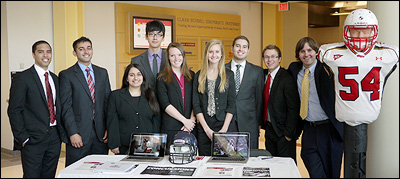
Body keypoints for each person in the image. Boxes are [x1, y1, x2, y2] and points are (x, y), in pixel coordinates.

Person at [318, 9, 398, 178]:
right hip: (346, 114)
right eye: (355, 30)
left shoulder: (331, 53)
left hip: (365, 113)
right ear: (347, 31)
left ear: (374, 31)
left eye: (366, 30)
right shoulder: (387, 53)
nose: (361, 35)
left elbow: (323, 49)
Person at [7, 40, 68, 177]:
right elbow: (14, 110)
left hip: (54, 137)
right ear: (33, 54)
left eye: (48, 51)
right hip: (32, 139)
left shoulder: (55, 78)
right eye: (41, 51)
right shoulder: (22, 78)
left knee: (49, 175)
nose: (45, 55)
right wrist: (23, 138)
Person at [288, 37, 344, 178]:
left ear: (316, 52)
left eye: (310, 50)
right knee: (312, 165)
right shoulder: (294, 70)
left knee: (332, 171)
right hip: (308, 129)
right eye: (302, 51)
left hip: (329, 129)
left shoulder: (327, 69)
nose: (306, 54)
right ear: (298, 54)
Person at [59, 36, 111, 167]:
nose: (86, 51)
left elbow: (107, 103)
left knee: (100, 170)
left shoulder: (102, 73)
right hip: (79, 134)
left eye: (88, 48)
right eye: (81, 49)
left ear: (92, 50)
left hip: (101, 135)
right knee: (77, 171)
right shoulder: (67, 75)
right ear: (74, 53)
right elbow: (66, 107)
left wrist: (108, 129)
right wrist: (72, 133)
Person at [192, 39, 237, 156]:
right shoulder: (198, 75)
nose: (214, 55)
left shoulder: (229, 75)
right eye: (211, 52)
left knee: (225, 163)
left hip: (224, 126)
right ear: (206, 54)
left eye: (217, 52)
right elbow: (196, 105)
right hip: (204, 127)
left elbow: (232, 104)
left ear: (221, 54)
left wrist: (224, 130)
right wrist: (207, 130)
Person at [107, 63, 161, 155]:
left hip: (148, 144)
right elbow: (112, 121)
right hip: (124, 145)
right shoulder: (116, 96)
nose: (135, 78)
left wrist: (156, 140)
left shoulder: (152, 95)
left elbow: (156, 120)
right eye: (132, 75)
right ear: (127, 78)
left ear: (143, 77)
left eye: (139, 74)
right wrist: (114, 144)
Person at [261, 44, 301, 163]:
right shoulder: (263, 76)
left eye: (273, 56)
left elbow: (293, 108)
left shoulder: (287, 78)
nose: (270, 60)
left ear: (279, 59)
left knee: (285, 167)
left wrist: (288, 134)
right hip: (269, 130)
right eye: (266, 57)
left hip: (284, 133)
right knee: (272, 166)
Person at [225, 35, 264, 149]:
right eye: (238, 46)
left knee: (250, 160)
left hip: (249, 124)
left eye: (244, 47)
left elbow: (259, 99)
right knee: (228, 159)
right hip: (227, 123)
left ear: (248, 50)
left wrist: (258, 123)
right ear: (232, 49)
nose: (241, 49)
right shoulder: (222, 69)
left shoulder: (257, 71)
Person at [156, 42, 197, 148]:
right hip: (171, 127)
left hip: (190, 127)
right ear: (168, 58)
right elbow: (165, 104)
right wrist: (185, 121)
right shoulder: (161, 78)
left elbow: (195, 100)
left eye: (179, 55)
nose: (176, 58)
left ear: (183, 56)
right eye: (172, 55)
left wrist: (191, 121)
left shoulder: (191, 76)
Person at [131, 20, 167, 89]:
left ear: (163, 38)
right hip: (144, 99)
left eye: (159, 34)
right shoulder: (136, 61)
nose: (155, 38)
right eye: (151, 34)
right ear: (146, 36)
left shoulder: (170, 59)